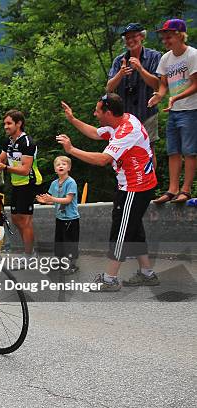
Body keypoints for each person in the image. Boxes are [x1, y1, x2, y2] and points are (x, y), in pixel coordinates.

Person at [58, 93, 159, 291]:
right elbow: (96, 133)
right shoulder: (121, 121)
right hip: (133, 186)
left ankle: (110, 279)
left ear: (109, 113)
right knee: (134, 228)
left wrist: (71, 150)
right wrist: (72, 119)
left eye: (98, 111)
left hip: (135, 188)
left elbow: (102, 160)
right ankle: (147, 273)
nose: (95, 114)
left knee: (121, 231)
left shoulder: (126, 131)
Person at [148, 19, 196, 204]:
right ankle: (172, 189)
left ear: (179, 35)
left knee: (190, 151)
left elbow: (195, 84)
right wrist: (159, 96)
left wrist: (176, 97)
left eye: (168, 37)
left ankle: (186, 190)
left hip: (191, 109)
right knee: (173, 150)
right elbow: (163, 84)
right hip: (174, 110)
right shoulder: (166, 58)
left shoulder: (192, 55)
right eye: (164, 38)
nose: (165, 41)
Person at [107, 23, 161, 168]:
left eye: (133, 36)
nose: (130, 40)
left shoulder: (154, 56)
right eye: (127, 38)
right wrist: (120, 73)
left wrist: (140, 68)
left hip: (147, 112)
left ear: (142, 36)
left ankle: (150, 185)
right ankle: (130, 185)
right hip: (125, 115)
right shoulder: (119, 61)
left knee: (149, 150)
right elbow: (109, 88)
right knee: (125, 151)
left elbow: (158, 85)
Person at [0, 110, 43, 258]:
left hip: (29, 183)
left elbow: (26, 170)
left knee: (25, 220)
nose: (6, 127)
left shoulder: (27, 142)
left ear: (19, 123)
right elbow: (0, 159)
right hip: (17, 183)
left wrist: (5, 168)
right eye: (4, 124)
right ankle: (30, 249)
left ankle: (29, 255)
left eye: (9, 123)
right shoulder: (8, 140)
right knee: (15, 218)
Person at [36, 156, 80, 274]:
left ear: (69, 167)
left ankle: (72, 265)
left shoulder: (71, 182)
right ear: (55, 169)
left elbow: (68, 200)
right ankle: (60, 261)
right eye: (58, 165)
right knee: (59, 241)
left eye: (64, 164)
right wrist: (45, 201)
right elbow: (54, 200)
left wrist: (52, 198)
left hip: (71, 218)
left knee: (70, 242)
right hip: (59, 218)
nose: (61, 166)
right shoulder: (54, 183)